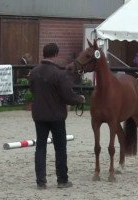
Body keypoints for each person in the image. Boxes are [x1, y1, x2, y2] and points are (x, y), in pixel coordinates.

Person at [28, 43, 85, 189]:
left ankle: (41, 181)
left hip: (39, 115)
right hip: (56, 116)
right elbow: (67, 95)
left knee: (40, 147)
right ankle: (62, 180)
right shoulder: (59, 73)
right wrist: (78, 99)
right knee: (60, 148)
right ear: (56, 54)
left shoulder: (34, 72)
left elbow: (33, 90)